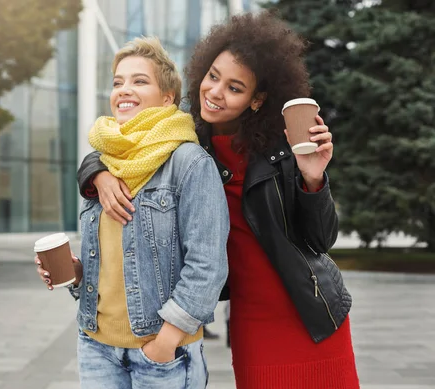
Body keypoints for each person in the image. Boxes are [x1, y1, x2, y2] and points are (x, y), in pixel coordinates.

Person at [77, 11, 360, 389]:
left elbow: (321, 240)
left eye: (234, 87)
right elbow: (123, 142)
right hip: (250, 318)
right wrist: (96, 171)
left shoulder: (282, 149)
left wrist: (313, 176)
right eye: (213, 76)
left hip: (310, 313)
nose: (214, 92)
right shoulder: (184, 137)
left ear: (256, 99)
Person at [36, 37, 229, 389]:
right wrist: (77, 274)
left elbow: (208, 264)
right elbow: (113, 257)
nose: (124, 89)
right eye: (118, 82)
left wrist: (166, 342)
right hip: (96, 345)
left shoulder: (189, 162)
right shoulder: (105, 160)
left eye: (140, 81)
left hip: (161, 353)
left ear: (167, 96)